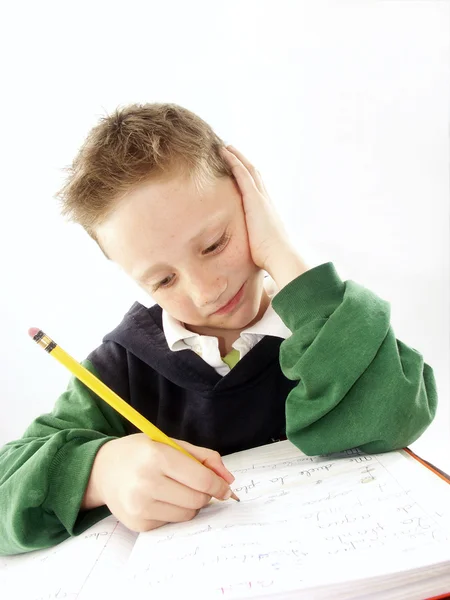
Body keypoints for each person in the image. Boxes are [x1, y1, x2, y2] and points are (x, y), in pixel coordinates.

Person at [0, 103, 437, 555]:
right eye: (163, 280)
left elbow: (399, 416)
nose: (207, 291)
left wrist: (283, 255)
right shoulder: (122, 368)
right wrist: (99, 471)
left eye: (214, 244)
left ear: (250, 195)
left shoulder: (327, 318)